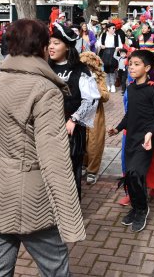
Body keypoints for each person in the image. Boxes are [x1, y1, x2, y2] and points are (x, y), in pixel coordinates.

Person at [0, 18, 85, 276]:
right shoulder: (44, 89)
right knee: (55, 267)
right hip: (31, 198)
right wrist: (70, 219)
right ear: (42, 48)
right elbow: (54, 157)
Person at [108, 50, 154, 233]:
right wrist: (117, 129)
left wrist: (150, 133)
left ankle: (142, 209)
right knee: (129, 175)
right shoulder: (131, 88)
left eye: (136, 64)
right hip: (131, 138)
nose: (131, 67)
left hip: (146, 139)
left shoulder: (152, 89)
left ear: (147, 68)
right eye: (130, 63)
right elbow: (129, 115)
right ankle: (136, 206)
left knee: (135, 173)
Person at [49, 23, 100, 198]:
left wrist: (74, 119)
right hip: (46, 127)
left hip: (70, 129)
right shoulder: (44, 67)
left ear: (67, 46)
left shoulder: (79, 69)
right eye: (50, 43)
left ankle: (70, 210)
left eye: (56, 43)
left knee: (70, 168)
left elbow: (91, 98)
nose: (51, 47)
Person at [80, 51, 109, 185]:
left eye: (88, 65)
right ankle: (83, 165)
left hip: (96, 113)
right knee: (81, 141)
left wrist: (95, 87)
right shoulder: (78, 76)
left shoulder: (99, 77)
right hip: (81, 112)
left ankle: (92, 170)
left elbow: (105, 96)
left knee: (94, 143)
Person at [97, 23, 124, 93]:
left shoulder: (117, 36)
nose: (114, 30)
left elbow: (121, 45)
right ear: (108, 29)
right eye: (113, 28)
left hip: (113, 53)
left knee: (112, 69)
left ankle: (112, 85)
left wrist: (118, 48)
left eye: (115, 28)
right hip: (104, 53)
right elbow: (98, 43)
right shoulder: (103, 35)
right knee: (105, 69)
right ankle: (107, 84)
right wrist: (101, 45)